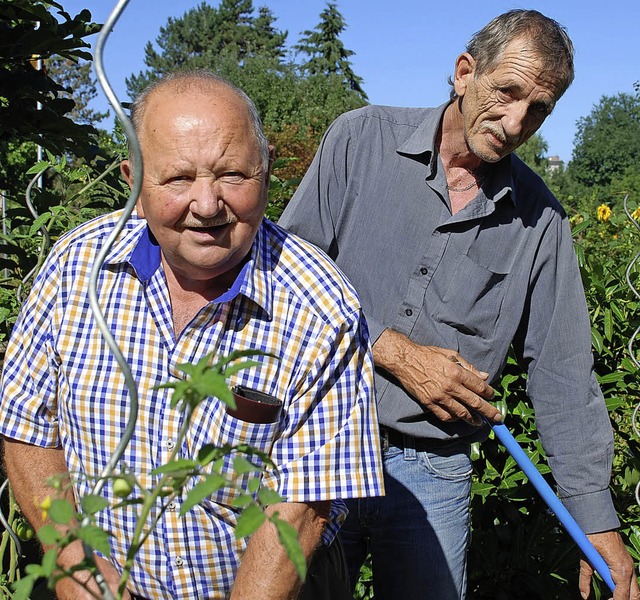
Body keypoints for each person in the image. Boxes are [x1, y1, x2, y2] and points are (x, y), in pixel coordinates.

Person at [279, 9, 640, 600]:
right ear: (464, 73)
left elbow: (564, 375)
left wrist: (595, 522)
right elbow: (288, 279)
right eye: (507, 92)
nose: (517, 121)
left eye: (539, 110)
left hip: (435, 468)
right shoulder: (359, 140)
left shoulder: (540, 221)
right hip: (319, 440)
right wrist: (389, 348)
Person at [0, 71, 384, 600]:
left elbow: (302, 507)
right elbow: (27, 426)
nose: (207, 205)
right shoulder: (77, 267)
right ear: (135, 184)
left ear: (266, 170)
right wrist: (73, 562)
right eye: (178, 178)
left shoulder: (321, 305)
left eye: (232, 174)